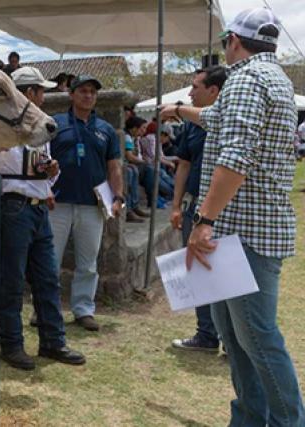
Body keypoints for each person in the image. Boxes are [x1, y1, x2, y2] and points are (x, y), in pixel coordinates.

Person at [161, 8, 305, 425]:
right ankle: (248, 418)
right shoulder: (274, 78)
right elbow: (217, 119)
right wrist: (180, 111)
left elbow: (235, 156)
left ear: (234, 42)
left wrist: (203, 221)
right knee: (237, 339)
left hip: (239, 236)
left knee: (257, 339)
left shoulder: (244, 79)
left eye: (225, 42)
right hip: (243, 235)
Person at [0, 67, 85, 371]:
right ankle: (11, 344)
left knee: (47, 278)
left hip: (36, 206)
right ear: (29, 93)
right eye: (39, 90)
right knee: (11, 279)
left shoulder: (39, 128)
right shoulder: (0, 128)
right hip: (14, 205)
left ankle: (53, 340)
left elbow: (40, 167)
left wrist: (51, 173)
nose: (43, 96)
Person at [48, 75, 123, 332]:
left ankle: (83, 309)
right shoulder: (55, 124)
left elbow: (114, 167)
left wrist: (118, 197)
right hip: (57, 203)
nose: (88, 96)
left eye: (92, 92)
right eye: (83, 91)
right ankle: (44, 308)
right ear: (72, 94)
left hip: (92, 205)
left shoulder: (105, 130)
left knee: (88, 263)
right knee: (49, 260)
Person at [168, 65, 226, 353]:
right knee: (199, 271)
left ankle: (233, 341)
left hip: (225, 210)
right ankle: (206, 334)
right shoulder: (191, 125)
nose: (189, 92)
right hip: (194, 206)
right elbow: (184, 164)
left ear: (214, 91)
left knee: (227, 272)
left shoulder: (230, 121)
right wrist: (177, 205)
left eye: (195, 87)